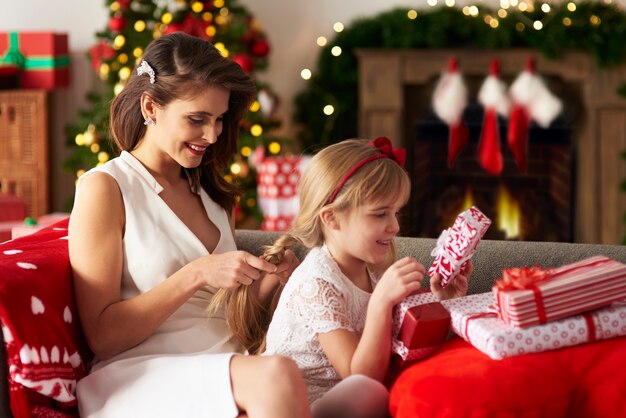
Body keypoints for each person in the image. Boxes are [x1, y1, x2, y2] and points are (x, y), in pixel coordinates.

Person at [68, 32, 310, 418]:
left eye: (218, 120)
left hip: (227, 364)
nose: (212, 135)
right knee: (278, 375)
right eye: (197, 119)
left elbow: (221, 316)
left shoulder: (212, 194)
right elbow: (102, 335)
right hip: (142, 375)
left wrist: (270, 282)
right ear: (151, 106)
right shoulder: (106, 188)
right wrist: (197, 273)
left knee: (354, 393)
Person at [261, 137, 474, 418]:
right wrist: (381, 303)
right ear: (332, 218)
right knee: (367, 391)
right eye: (380, 214)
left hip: (343, 400)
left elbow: (406, 331)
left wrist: (441, 299)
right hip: (299, 407)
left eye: (396, 212)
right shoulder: (317, 283)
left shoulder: (371, 267)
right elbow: (356, 375)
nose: (395, 226)